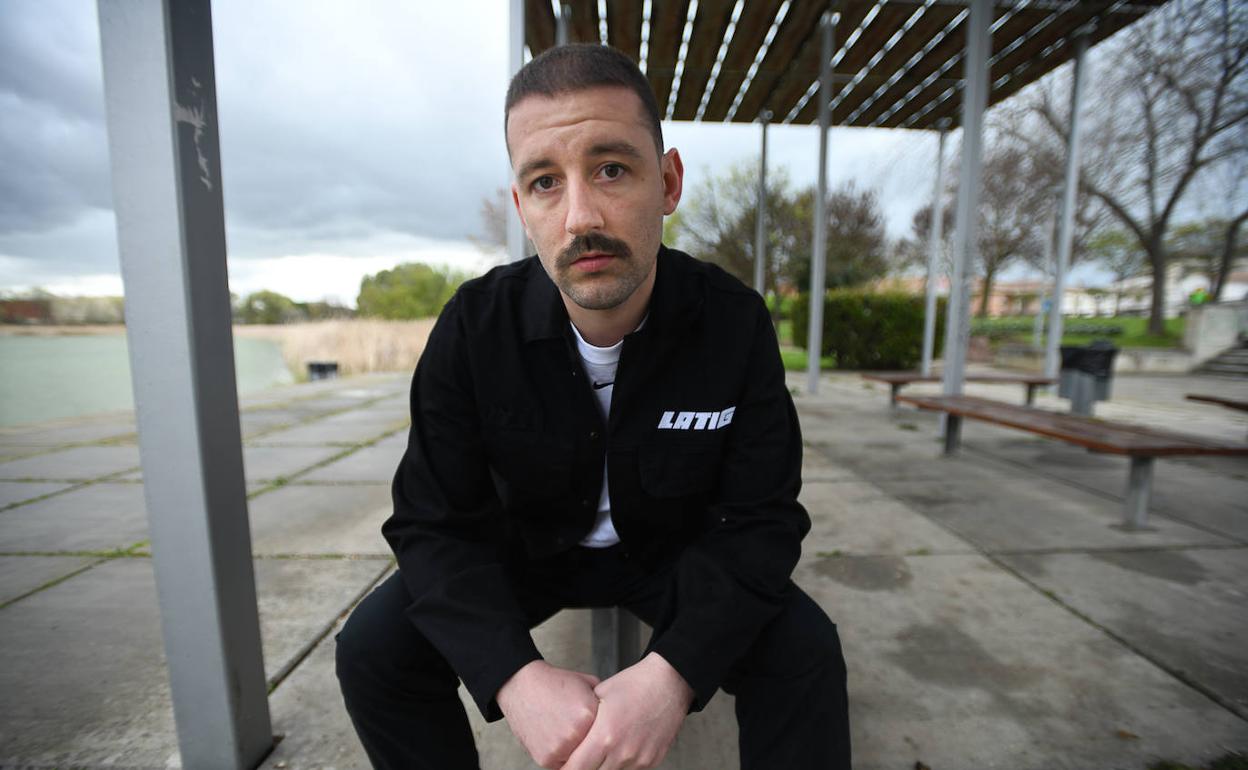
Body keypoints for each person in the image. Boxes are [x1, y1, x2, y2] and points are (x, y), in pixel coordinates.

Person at [335, 43, 851, 770]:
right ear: (521, 206)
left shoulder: (732, 323)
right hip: (529, 553)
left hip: (670, 554)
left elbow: (762, 519)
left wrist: (672, 673)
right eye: (546, 182)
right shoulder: (475, 327)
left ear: (668, 181)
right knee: (373, 651)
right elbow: (431, 522)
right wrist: (515, 676)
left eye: (612, 169)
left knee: (804, 650)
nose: (581, 216)